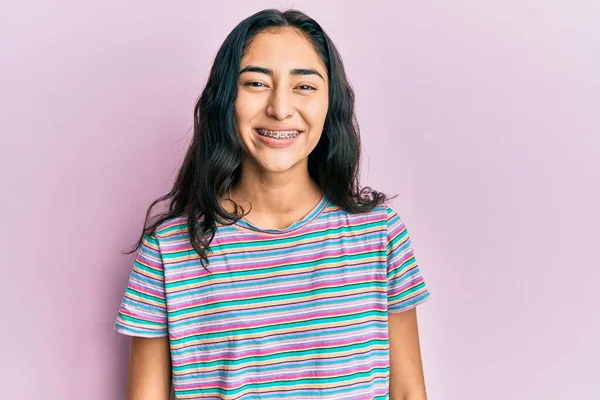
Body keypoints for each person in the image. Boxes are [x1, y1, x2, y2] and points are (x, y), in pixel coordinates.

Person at [114, 8, 431, 400]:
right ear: (226, 99)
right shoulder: (169, 250)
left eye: (305, 86)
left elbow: (407, 393)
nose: (280, 109)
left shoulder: (379, 235)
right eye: (256, 83)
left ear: (330, 103)